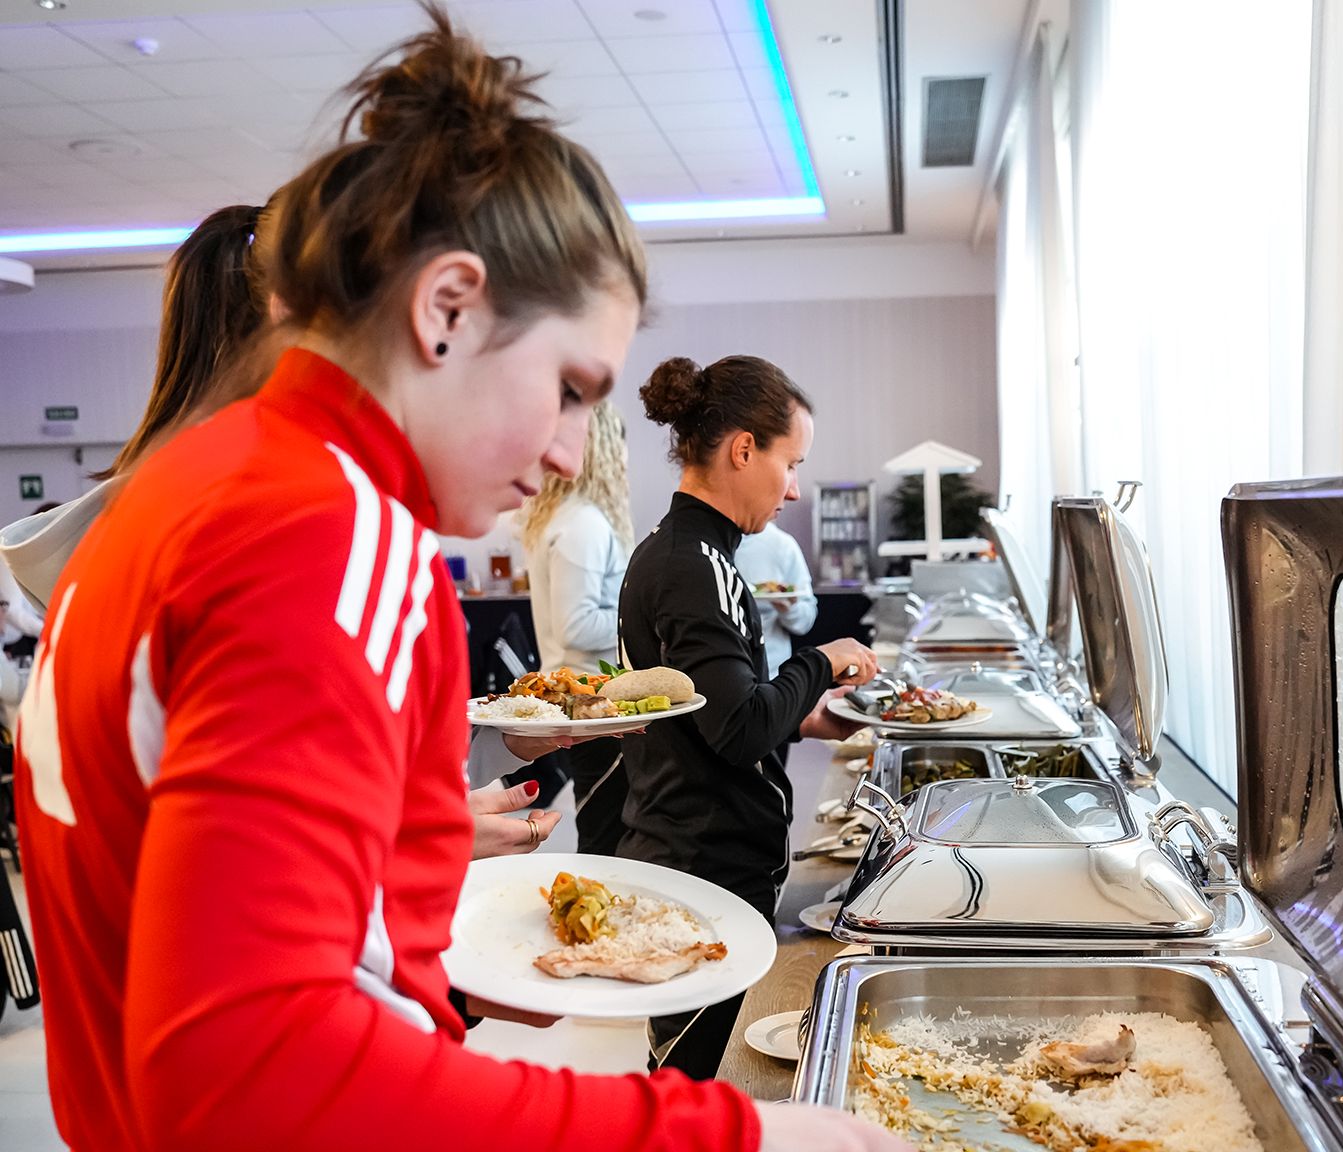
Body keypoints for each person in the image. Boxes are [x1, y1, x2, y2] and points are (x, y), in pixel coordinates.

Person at [12, 10, 903, 1151]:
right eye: (571, 387)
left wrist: (437, 980)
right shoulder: (327, 536)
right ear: (446, 309)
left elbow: (207, 917)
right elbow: (247, 1073)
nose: (572, 453)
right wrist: (736, 1137)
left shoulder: (189, 485)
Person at [0, 198, 561, 861]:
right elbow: (246, 869)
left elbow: (290, 795)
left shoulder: (134, 534)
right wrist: (426, 842)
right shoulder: (275, 547)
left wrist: (446, 797)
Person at [619, 354, 879, 1079]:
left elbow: (712, 711)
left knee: (698, 1082)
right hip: (703, 869)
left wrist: (803, 719)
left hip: (712, 863)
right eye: (789, 463)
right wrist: (820, 663)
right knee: (694, 1087)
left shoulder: (697, 555)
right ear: (743, 449)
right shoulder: (690, 565)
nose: (794, 488)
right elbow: (737, 732)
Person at [520, 400, 635, 852]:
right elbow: (577, 626)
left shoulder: (564, 516)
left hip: (585, 699)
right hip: (590, 700)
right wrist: (639, 620)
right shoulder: (583, 523)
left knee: (603, 825)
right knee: (607, 835)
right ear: (605, 449)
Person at [733, 519, 818, 674]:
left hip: (772, 670)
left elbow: (806, 619)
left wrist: (789, 610)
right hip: (721, 666)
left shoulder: (782, 545)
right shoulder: (707, 542)